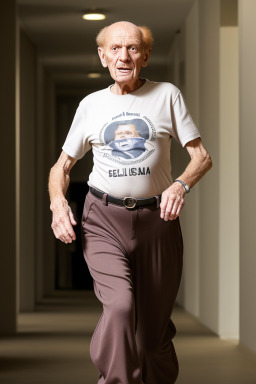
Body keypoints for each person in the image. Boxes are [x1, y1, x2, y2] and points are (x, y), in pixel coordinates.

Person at [48, 21, 212, 384]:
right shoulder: (91, 105)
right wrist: (58, 203)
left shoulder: (167, 95)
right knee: (120, 306)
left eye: (134, 49)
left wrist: (181, 185)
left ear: (146, 55)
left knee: (152, 335)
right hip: (103, 218)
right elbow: (61, 167)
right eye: (116, 49)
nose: (125, 56)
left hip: (158, 220)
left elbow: (201, 157)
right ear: (102, 55)